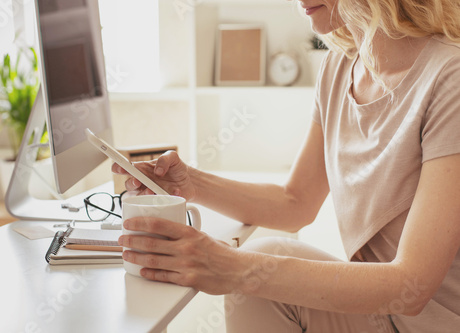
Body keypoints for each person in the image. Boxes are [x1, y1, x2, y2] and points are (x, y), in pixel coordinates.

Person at [114, 0, 460, 331]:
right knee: (260, 272)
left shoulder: (450, 78)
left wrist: (232, 267)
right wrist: (190, 183)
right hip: (379, 318)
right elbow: (296, 202)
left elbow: (411, 287)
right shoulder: (339, 67)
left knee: (258, 265)